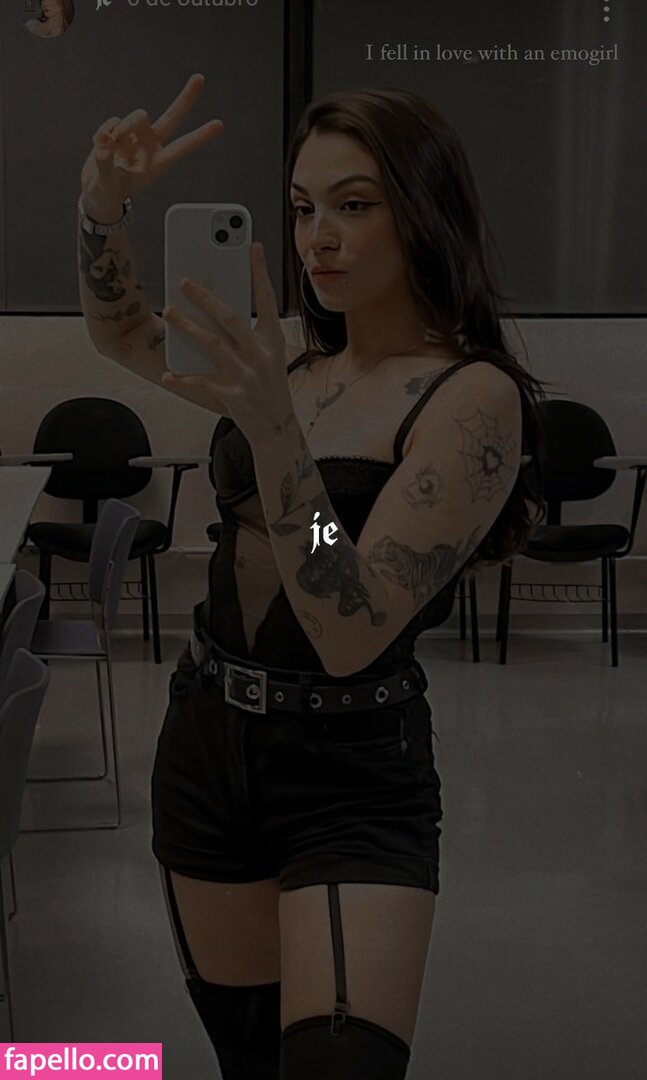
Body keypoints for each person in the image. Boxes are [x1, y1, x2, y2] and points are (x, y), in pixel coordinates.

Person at [78, 73, 546, 1079]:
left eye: (352, 205)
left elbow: (352, 625)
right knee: (247, 1060)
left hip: (350, 771)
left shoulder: (469, 398)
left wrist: (273, 431)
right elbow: (122, 333)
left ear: (421, 213)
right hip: (207, 743)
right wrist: (101, 207)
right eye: (299, 209)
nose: (316, 239)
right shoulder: (287, 368)